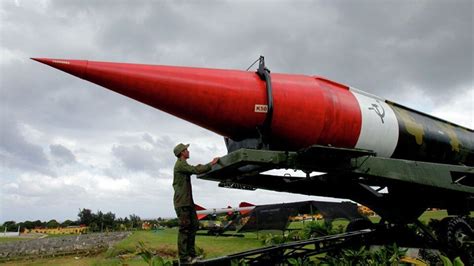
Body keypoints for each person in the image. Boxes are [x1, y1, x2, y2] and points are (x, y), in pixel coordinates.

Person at [172, 143, 219, 264]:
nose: (188, 151)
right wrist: (211, 163)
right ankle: (184, 258)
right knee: (184, 229)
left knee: (194, 225)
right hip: (182, 203)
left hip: (187, 202)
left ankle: (192, 255)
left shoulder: (183, 164)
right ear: (182, 152)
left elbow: (194, 168)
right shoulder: (180, 164)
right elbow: (195, 170)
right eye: (186, 149)